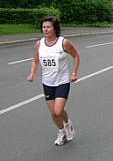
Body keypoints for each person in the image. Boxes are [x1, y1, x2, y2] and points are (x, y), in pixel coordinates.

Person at [27, 16, 80, 146]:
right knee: (53, 113)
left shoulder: (63, 43)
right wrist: (32, 73)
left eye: (48, 27)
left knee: (58, 110)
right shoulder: (39, 44)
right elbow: (35, 60)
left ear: (55, 28)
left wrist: (73, 73)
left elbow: (76, 56)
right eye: (43, 27)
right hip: (47, 82)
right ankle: (61, 132)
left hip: (62, 81)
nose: (45, 29)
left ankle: (67, 123)